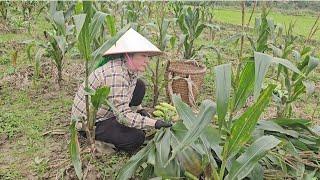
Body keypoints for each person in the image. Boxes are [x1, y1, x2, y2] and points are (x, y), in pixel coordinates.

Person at [71, 28, 172, 153]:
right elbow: (123, 115)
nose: (147, 60)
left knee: (139, 86)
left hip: (109, 110)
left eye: (148, 57)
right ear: (129, 55)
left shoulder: (130, 68)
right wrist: (155, 123)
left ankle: (132, 118)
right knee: (136, 137)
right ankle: (97, 140)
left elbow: (129, 92)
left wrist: (140, 110)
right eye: (143, 56)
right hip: (92, 122)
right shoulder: (116, 74)